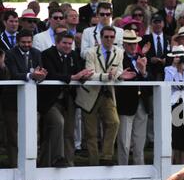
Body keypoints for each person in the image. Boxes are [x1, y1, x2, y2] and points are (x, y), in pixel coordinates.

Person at [75, 26, 133, 166]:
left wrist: (120, 76)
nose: (109, 39)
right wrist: (108, 76)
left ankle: (106, 156)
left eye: (111, 37)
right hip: (90, 94)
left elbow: (118, 71)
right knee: (91, 132)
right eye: (106, 37)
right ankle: (94, 163)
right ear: (101, 38)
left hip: (107, 93)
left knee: (114, 122)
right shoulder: (90, 52)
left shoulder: (119, 52)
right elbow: (89, 74)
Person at [39, 32, 93, 167]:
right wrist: (73, 77)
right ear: (57, 43)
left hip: (69, 100)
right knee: (57, 124)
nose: (68, 46)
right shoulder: (46, 54)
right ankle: (55, 160)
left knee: (69, 132)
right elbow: (50, 74)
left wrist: (84, 76)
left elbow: (80, 72)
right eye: (64, 43)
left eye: (70, 43)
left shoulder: (74, 55)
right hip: (49, 100)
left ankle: (69, 164)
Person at [3, 30, 47, 167]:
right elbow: (14, 74)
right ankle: (15, 167)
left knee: (33, 135)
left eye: (29, 42)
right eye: (24, 42)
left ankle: (31, 167)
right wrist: (31, 76)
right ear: (17, 42)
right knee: (13, 136)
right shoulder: (10, 54)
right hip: (12, 101)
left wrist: (41, 76)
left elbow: (39, 72)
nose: (27, 45)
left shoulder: (36, 53)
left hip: (32, 101)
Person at [115, 30, 152, 165]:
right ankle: (122, 169)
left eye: (134, 43)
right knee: (124, 140)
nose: (132, 46)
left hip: (142, 103)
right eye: (129, 44)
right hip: (126, 103)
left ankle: (139, 168)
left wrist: (143, 71)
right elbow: (116, 78)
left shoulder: (141, 57)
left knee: (140, 140)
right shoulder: (119, 58)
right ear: (124, 44)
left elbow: (151, 80)